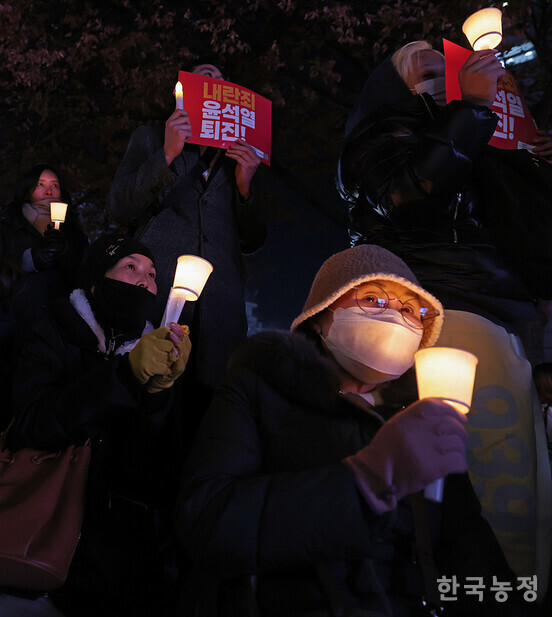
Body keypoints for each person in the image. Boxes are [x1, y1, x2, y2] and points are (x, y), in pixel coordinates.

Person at [175, 244, 530, 616]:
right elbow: (207, 522)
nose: (395, 315)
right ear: (320, 316)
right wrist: (364, 480)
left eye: (410, 309)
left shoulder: (427, 424)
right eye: (373, 298)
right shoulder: (259, 391)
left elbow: (477, 567)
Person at [339, 40, 552, 599]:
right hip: (446, 313)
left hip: (509, 321)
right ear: (393, 87)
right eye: (425, 67)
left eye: (448, 67)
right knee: (478, 483)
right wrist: (474, 111)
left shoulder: (476, 142)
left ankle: (508, 594)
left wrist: (530, 165)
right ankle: (468, 595)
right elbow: (412, 192)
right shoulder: (381, 136)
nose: (442, 73)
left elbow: (526, 237)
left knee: (521, 486)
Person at [0, 235, 192, 617]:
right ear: (95, 282)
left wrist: (158, 396)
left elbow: (147, 472)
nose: (145, 279)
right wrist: (123, 378)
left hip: (83, 566)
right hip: (2, 523)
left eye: (152, 274)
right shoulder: (50, 333)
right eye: (130, 266)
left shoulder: (156, 355)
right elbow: (33, 424)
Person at [107, 62, 266, 428]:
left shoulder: (243, 156)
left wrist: (245, 186)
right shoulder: (151, 137)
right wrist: (166, 154)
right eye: (201, 78)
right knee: (145, 398)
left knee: (205, 413)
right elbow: (119, 205)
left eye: (219, 80)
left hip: (220, 307)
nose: (210, 83)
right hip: (158, 287)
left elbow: (254, 240)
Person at [0, 165, 88, 327]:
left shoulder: (74, 232)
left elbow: (83, 275)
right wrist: (31, 260)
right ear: (27, 190)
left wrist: (65, 252)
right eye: (41, 184)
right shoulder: (8, 226)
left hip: (61, 321)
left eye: (55, 185)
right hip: (14, 317)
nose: (49, 191)